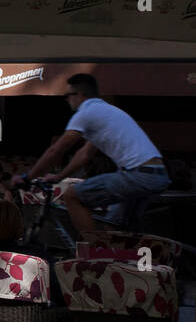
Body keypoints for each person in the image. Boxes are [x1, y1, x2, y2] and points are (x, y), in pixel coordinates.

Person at [18, 73, 169, 234]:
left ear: (80, 95)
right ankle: (120, 255)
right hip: (156, 175)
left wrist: (27, 177)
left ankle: (93, 253)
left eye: (68, 95)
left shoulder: (85, 113)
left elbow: (57, 149)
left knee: (72, 197)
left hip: (137, 176)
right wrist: (58, 177)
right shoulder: (106, 111)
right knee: (114, 226)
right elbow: (84, 154)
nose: (67, 99)